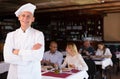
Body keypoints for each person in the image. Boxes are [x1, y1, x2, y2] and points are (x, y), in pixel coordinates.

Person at [3, 3, 44, 79]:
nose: (25, 19)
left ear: (33, 19)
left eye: (29, 16)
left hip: (32, 74)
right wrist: (30, 54)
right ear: (19, 17)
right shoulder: (11, 35)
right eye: (23, 15)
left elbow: (38, 56)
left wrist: (18, 52)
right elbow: (7, 58)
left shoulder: (38, 34)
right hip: (15, 75)